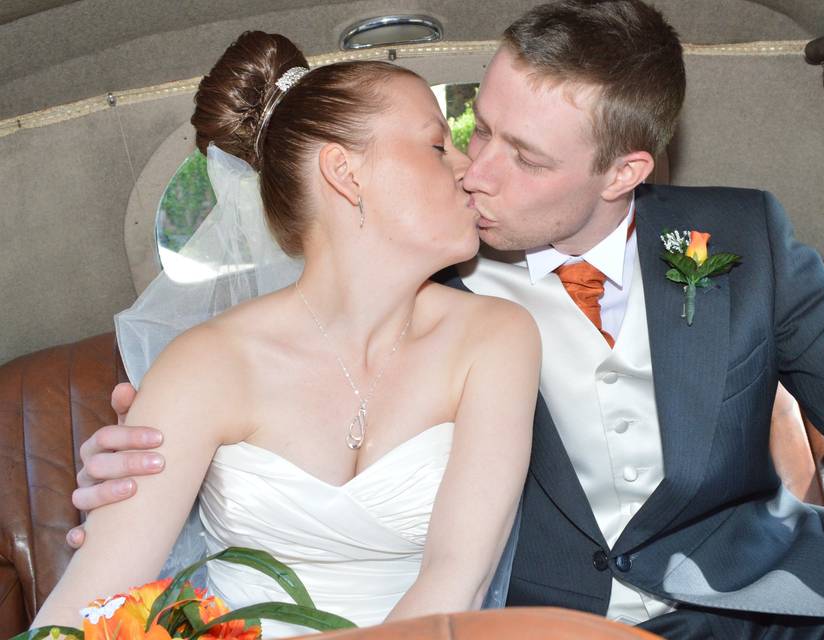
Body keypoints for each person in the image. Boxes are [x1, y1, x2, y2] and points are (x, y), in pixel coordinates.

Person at [72, 1, 824, 638]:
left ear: (623, 173)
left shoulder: (743, 237)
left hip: (774, 596)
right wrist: (154, 462)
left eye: (522, 156)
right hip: (542, 620)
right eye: (471, 128)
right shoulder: (428, 281)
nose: (473, 172)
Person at [33, 31, 539, 635]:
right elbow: (88, 600)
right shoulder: (207, 363)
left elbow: (459, 575)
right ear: (345, 173)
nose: (470, 171)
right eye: (438, 146)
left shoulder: (496, 338)